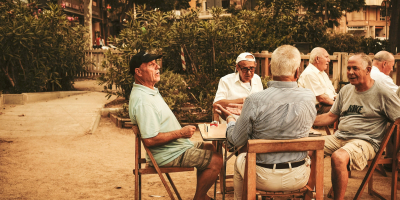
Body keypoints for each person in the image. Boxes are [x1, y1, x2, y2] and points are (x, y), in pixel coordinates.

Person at [215, 45, 317, 200]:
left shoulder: (254, 100)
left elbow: (235, 140)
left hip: (262, 177)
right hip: (299, 176)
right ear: (298, 71)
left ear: (269, 69)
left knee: (240, 160)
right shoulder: (309, 97)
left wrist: (230, 119)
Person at [128, 51, 223, 200]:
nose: (157, 67)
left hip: (176, 147)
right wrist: (181, 133)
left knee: (210, 147)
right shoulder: (143, 101)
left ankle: (202, 195)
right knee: (216, 160)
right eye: (151, 65)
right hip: (168, 154)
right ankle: (199, 198)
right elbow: (150, 140)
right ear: (138, 72)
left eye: (156, 63)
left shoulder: (148, 91)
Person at [313, 53, 400, 200]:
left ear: (368, 70)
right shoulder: (346, 90)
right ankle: (311, 194)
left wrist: (398, 152)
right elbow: (330, 116)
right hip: (340, 137)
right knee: (307, 148)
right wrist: (306, 121)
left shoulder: (383, 93)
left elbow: (398, 120)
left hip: (366, 141)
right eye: (348, 68)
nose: (350, 72)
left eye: (355, 68)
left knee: (339, 157)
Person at [213, 52, 263, 120]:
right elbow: (217, 104)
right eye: (245, 69)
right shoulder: (226, 80)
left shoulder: (257, 79)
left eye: (252, 68)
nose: (249, 72)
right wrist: (243, 100)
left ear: (255, 65)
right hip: (232, 123)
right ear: (237, 67)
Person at [298, 47, 337, 114]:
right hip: (317, 108)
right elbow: (321, 98)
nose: (329, 60)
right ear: (317, 59)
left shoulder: (322, 73)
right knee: (345, 111)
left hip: (326, 104)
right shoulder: (309, 73)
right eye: (326, 57)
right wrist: (338, 105)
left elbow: (332, 94)